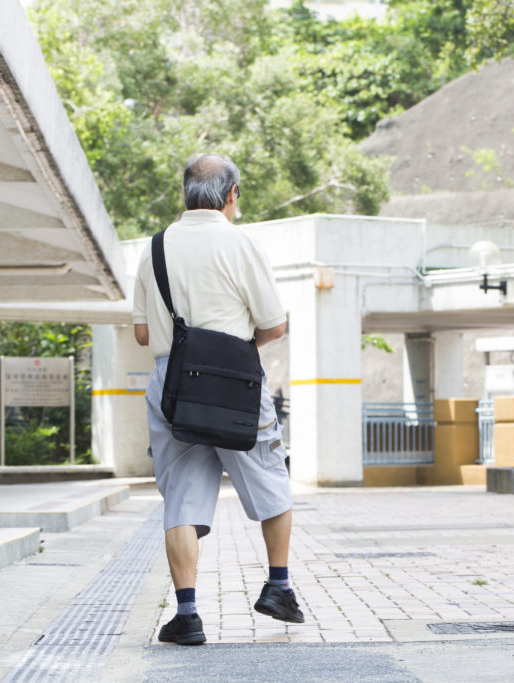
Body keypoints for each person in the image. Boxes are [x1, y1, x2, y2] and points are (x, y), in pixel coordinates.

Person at [133, 153, 303, 646]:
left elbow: (144, 333)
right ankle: (278, 586)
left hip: (172, 385)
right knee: (270, 478)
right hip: (233, 382)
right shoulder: (239, 243)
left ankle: (187, 616)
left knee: (182, 499)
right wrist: (231, 344)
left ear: (184, 193)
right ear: (232, 195)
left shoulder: (154, 248)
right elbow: (274, 324)